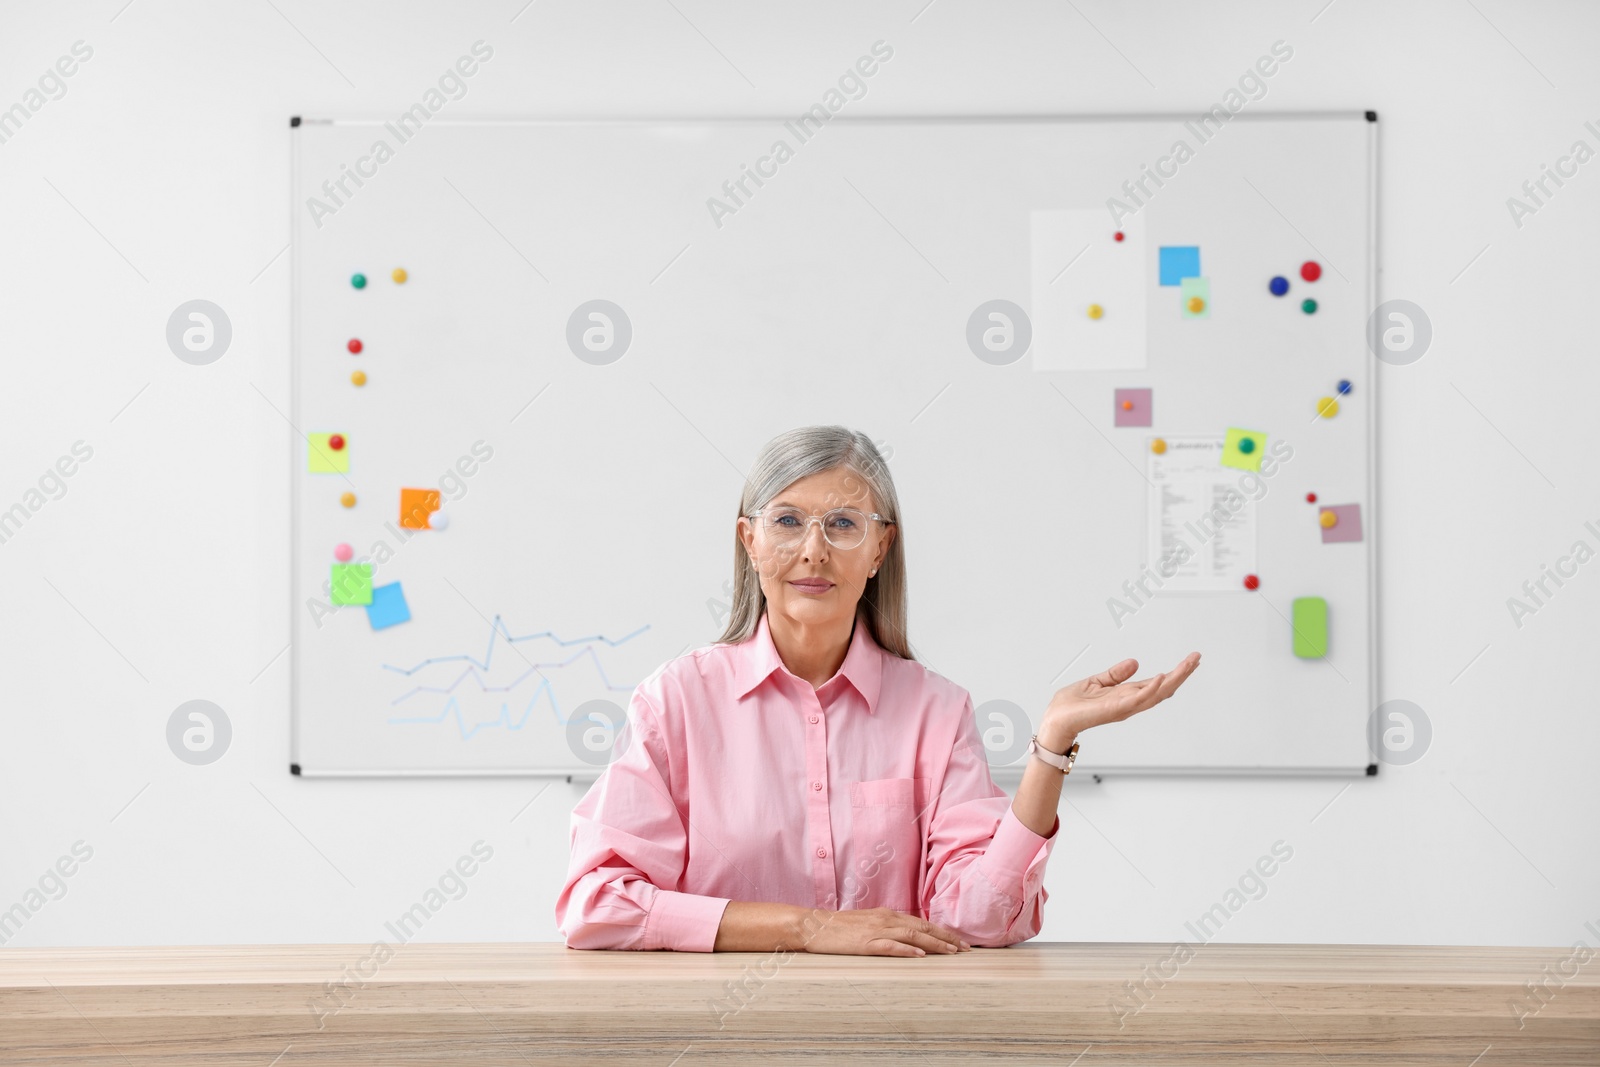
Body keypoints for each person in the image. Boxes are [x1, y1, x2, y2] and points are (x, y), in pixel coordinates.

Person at [556, 426, 1200, 955]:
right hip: (715, 1038)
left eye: (843, 524)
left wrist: (1051, 747)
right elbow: (596, 904)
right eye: (787, 521)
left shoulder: (936, 712)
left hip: (890, 1034)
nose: (813, 551)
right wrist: (806, 928)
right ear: (749, 540)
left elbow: (978, 920)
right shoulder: (677, 701)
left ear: (880, 548)